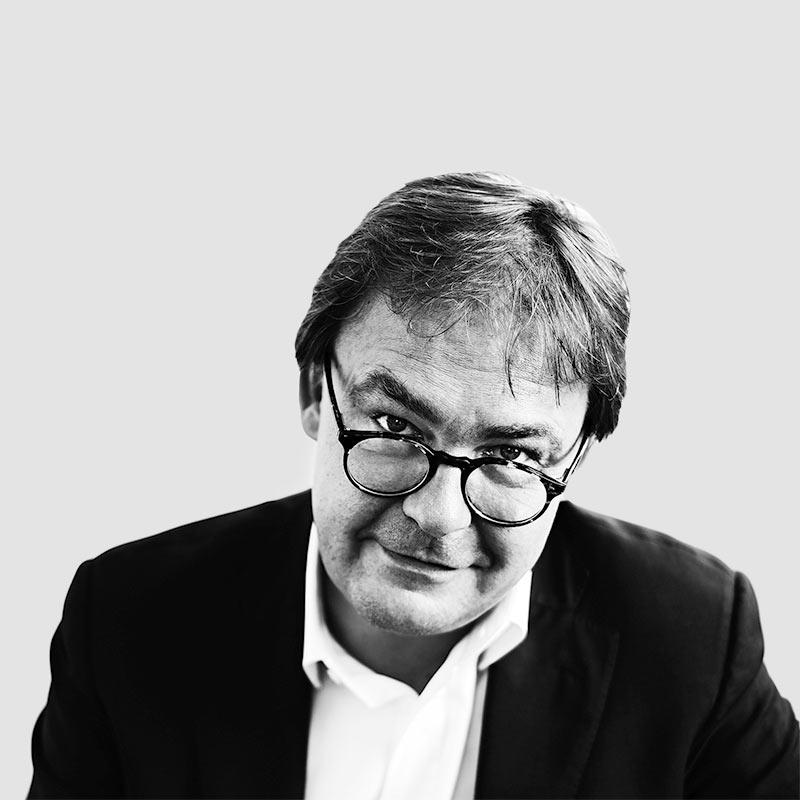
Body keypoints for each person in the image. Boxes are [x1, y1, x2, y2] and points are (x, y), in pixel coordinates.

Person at [28, 173, 798, 799]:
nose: (437, 516)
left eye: (511, 455)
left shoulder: (693, 644)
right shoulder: (127, 622)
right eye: (396, 426)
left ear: (575, 461)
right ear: (314, 393)